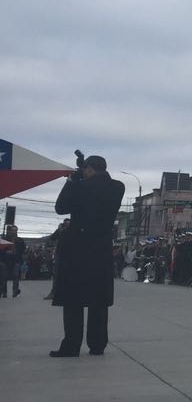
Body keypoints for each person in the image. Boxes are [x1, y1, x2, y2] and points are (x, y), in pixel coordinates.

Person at [50, 153, 125, 357]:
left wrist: (72, 181)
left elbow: (61, 208)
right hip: (101, 247)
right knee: (98, 299)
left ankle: (72, 345)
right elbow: (100, 191)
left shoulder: (80, 186)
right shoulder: (118, 187)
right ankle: (97, 344)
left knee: (73, 299)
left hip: (77, 247)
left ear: (89, 169)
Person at [1, 225, 26, 298]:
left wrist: (17, 253)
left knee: (16, 276)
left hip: (16, 260)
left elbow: (23, 250)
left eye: (15, 230)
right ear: (9, 231)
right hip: (5, 260)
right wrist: (6, 252)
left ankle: (15, 292)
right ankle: (4, 292)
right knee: (4, 277)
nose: (14, 232)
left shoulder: (20, 240)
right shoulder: (4, 239)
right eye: (13, 230)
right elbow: (1, 250)